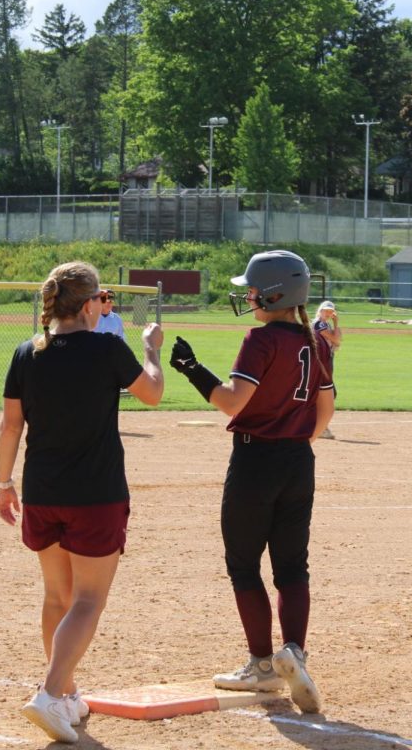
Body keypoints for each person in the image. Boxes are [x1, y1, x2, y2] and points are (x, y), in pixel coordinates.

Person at [0, 261, 164, 744]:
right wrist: (151, 349)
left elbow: (11, 427)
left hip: (43, 492)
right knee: (88, 600)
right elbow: (151, 393)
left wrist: (3, 483)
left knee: (57, 597)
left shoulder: (27, 351)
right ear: (89, 304)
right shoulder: (108, 347)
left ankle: (66, 695)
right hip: (95, 493)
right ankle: (51, 692)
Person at [168, 249, 334, 715]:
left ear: (276, 292)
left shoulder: (261, 340)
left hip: (255, 461)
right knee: (292, 567)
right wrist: (294, 440)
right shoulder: (317, 341)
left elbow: (232, 402)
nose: (249, 296)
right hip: (299, 461)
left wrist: (192, 370)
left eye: (255, 290)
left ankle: (263, 663)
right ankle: (295, 653)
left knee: (244, 565)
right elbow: (325, 412)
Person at [312, 301, 341, 439]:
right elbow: (336, 339)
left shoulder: (325, 324)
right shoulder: (320, 324)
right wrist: (336, 327)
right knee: (327, 394)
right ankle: (320, 427)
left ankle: (319, 425)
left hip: (325, 361)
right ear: (320, 311)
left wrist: (335, 325)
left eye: (331, 311)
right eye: (326, 311)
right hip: (321, 363)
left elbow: (337, 341)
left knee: (324, 394)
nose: (328, 313)